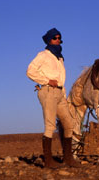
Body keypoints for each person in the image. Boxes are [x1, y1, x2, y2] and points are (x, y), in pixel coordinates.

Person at [26, 28, 80, 168]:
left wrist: (63, 93)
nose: (58, 40)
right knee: (50, 125)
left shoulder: (60, 57)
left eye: (59, 38)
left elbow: (61, 79)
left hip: (60, 93)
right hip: (48, 91)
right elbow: (30, 71)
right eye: (55, 38)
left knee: (69, 124)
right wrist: (46, 81)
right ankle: (49, 162)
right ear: (49, 40)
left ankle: (68, 159)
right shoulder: (43, 55)